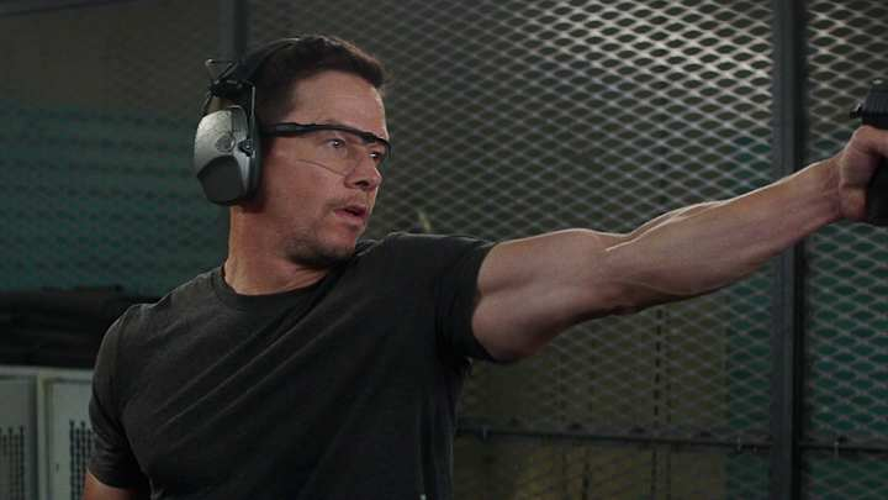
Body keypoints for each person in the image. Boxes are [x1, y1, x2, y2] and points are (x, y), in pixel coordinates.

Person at [84, 34, 888, 500]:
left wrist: (830, 189)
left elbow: (621, 266)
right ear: (233, 153)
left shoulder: (410, 288)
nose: (368, 175)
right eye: (337, 143)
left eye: (377, 152)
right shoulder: (138, 346)